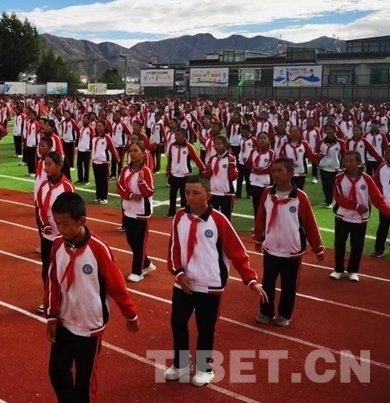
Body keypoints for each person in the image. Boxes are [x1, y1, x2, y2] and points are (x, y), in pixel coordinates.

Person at [166, 175, 267, 387]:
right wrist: (179, 274)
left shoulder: (219, 221)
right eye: (187, 193)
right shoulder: (180, 217)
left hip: (210, 284)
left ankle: (205, 368)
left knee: (205, 328)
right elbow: (174, 247)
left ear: (208, 195)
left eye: (196, 193)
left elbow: (237, 252)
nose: (190, 197)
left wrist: (250, 279)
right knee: (177, 322)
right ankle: (181, 364)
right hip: (184, 283)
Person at [45, 192, 139, 403]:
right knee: (57, 372)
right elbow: (52, 282)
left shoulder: (98, 249)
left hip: (90, 325)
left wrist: (130, 313)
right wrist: (51, 316)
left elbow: (116, 285)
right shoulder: (58, 245)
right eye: (58, 224)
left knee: (85, 384)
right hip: (64, 321)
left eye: (66, 224)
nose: (61, 229)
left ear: (81, 221)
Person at [253, 158, 324, 326]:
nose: (275, 174)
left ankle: (285, 314)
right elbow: (261, 216)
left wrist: (317, 247)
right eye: (273, 171)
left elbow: (309, 223)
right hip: (271, 248)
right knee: (267, 282)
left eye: (280, 170)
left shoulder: (300, 197)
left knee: (289, 285)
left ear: (291, 173)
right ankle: (266, 312)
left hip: (291, 250)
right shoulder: (267, 193)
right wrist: (259, 237)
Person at [331, 151, 390, 281]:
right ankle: (338, 269)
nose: (348, 163)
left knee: (357, 245)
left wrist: (388, 212)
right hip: (342, 216)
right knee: (339, 243)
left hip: (360, 218)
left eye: (351, 160)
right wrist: (356, 206)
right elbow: (338, 197)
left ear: (359, 162)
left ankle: (353, 270)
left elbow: (377, 199)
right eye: (346, 160)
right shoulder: (339, 178)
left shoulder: (367, 179)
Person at [36, 151, 75, 312]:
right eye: (45, 164)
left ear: (59, 166)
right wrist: (44, 224)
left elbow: (73, 213)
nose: (46, 168)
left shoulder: (67, 187)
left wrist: (66, 231)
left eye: (49, 164)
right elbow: (40, 207)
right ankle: (48, 299)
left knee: (63, 270)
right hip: (47, 236)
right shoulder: (43, 186)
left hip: (63, 238)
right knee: (46, 270)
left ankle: (65, 300)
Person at [116, 141, 156, 281]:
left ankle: (137, 272)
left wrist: (141, 183)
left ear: (143, 153)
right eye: (130, 151)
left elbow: (149, 192)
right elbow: (119, 187)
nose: (132, 154)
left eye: (135, 151)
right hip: (128, 210)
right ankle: (146, 263)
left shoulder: (146, 171)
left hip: (141, 213)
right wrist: (130, 196)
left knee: (139, 244)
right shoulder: (124, 170)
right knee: (131, 241)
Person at [203, 135, 238, 220]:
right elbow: (207, 176)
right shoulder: (212, 159)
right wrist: (207, 171)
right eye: (215, 145)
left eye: (219, 144)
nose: (216, 147)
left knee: (226, 217)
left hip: (226, 193)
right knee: (212, 216)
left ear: (225, 145)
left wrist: (231, 166)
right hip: (213, 192)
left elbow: (233, 177)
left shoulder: (230, 159)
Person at [372, 146, 390, 257]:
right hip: (385, 205)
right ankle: (379, 249)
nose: (386, 154)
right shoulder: (382, 167)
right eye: (386, 151)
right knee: (383, 227)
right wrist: (380, 201)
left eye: (389, 152)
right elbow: (375, 185)